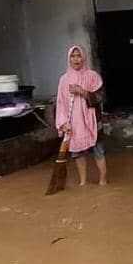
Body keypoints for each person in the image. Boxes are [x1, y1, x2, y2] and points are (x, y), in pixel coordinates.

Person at [55, 45, 107, 186]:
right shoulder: (63, 80)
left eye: (79, 56)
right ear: (69, 59)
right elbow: (60, 104)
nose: (76, 59)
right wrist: (62, 123)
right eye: (73, 56)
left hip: (92, 121)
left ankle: (103, 180)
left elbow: (100, 98)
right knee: (78, 153)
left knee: (98, 151)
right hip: (74, 123)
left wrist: (82, 91)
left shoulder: (92, 77)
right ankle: (82, 182)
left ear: (83, 58)